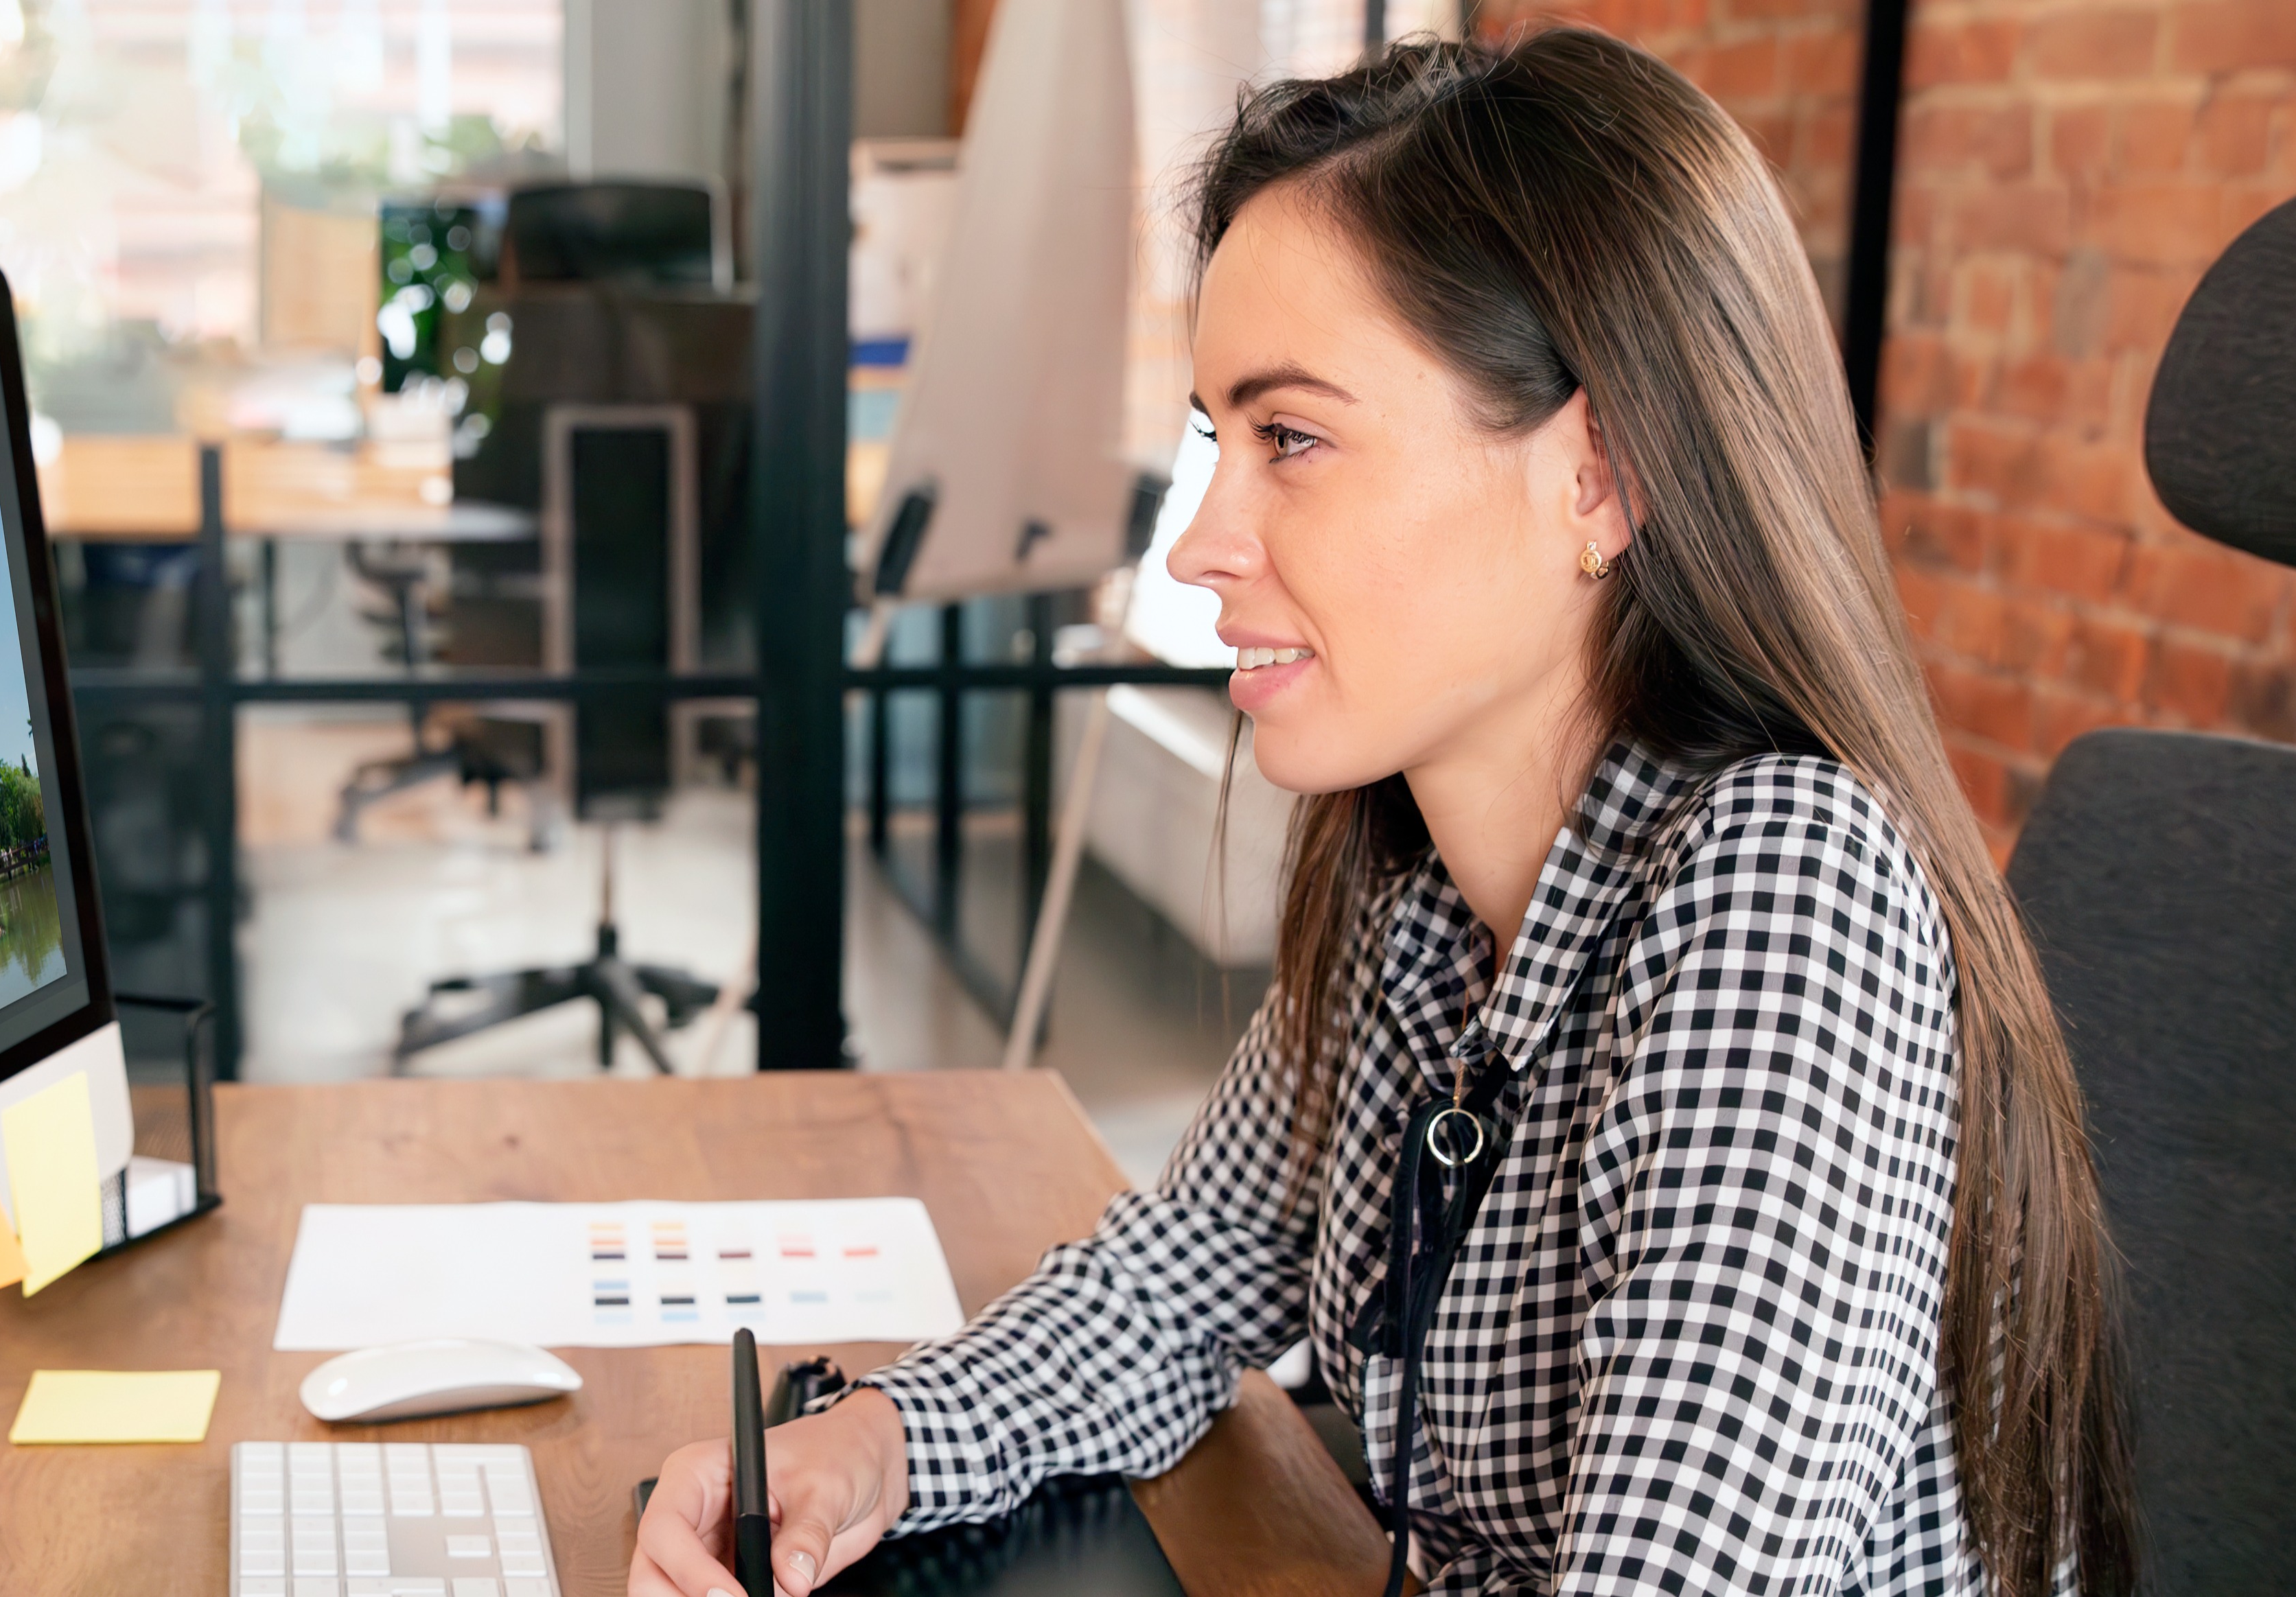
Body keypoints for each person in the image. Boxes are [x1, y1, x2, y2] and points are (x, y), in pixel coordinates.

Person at [634, 27, 2131, 1597]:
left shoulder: (1781, 899)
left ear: (1597, 478)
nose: (1202, 540)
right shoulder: (1417, 893)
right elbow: (1168, 1294)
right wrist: (861, 1447)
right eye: (1219, 440)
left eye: (1290, 439)